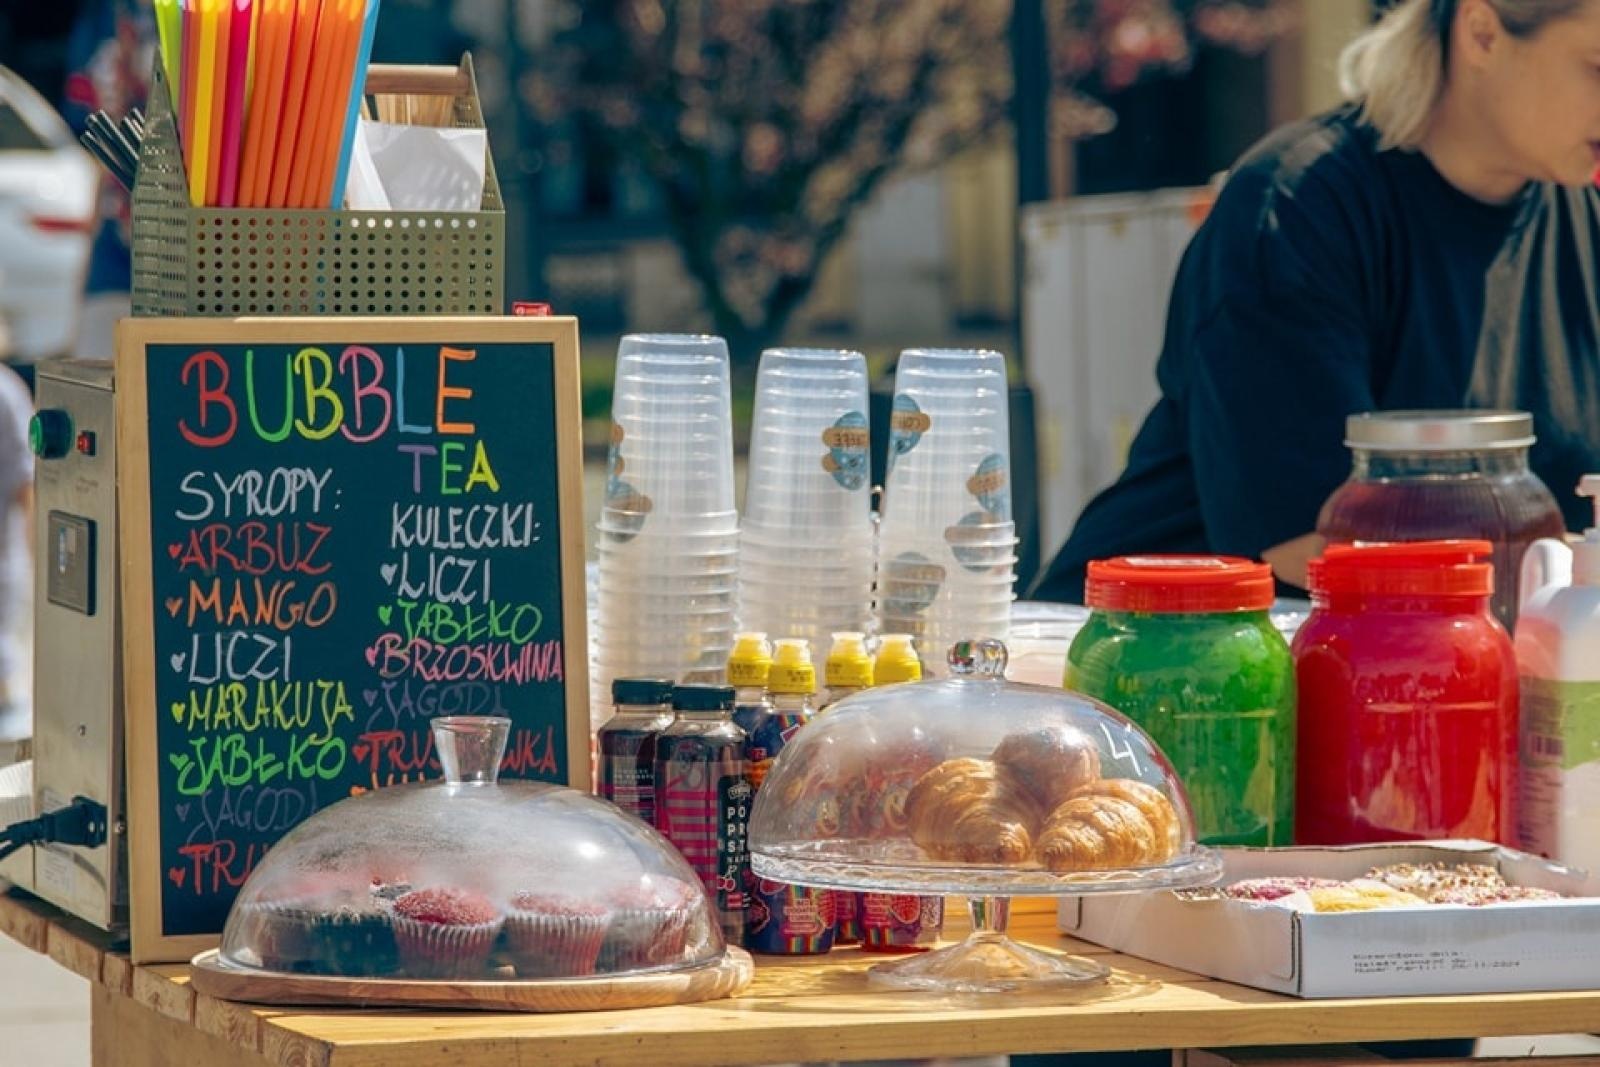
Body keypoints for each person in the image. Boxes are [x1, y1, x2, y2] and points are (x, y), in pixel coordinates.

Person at [1031, 0, 1600, 603]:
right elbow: (1317, 545)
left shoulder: (1584, 222)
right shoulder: (1297, 205)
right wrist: (1567, 566)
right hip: (1151, 661)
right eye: (1595, 67)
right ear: (1482, 33)